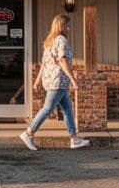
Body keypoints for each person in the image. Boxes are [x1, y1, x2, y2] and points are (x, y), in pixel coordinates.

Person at [20, 14, 89, 150]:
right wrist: (73, 79)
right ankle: (29, 133)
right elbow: (62, 61)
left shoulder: (50, 41)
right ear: (62, 26)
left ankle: (74, 139)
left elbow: (44, 62)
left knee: (68, 108)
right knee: (47, 109)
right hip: (58, 81)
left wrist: (38, 79)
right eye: (67, 25)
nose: (69, 28)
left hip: (52, 80)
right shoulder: (62, 40)